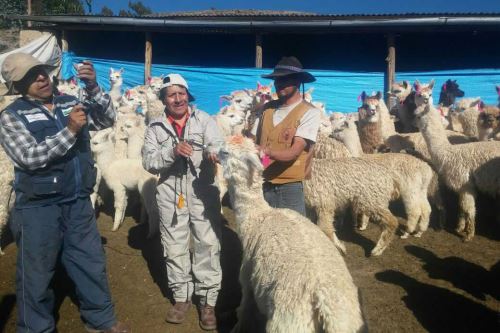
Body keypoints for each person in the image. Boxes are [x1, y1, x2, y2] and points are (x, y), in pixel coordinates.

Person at [0, 53, 128, 333]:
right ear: (18, 86)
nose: (41, 78)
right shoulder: (11, 117)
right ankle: (36, 328)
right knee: (36, 275)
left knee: (90, 264)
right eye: (30, 76)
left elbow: (106, 119)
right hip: (38, 208)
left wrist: (94, 87)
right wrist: (70, 130)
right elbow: (29, 157)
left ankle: (101, 320)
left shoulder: (70, 102)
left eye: (41, 71)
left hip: (78, 202)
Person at [142, 73, 223, 331]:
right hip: (169, 194)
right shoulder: (155, 128)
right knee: (174, 245)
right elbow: (149, 161)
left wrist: (213, 151)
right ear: (164, 99)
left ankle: (207, 301)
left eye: (181, 94)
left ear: (188, 95)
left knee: (207, 244)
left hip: (202, 191)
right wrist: (172, 151)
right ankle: (181, 298)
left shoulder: (204, 120)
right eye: (171, 95)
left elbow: (217, 142)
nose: (178, 99)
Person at [251, 56, 321, 216]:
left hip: (289, 185)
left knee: (293, 236)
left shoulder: (309, 112)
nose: (279, 83)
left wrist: (266, 152)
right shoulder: (267, 109)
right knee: (265, 233)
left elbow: (294, 152)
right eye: (276, 79)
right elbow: (253, 140)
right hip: (262, 181)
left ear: (297, 81)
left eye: (285, 79)